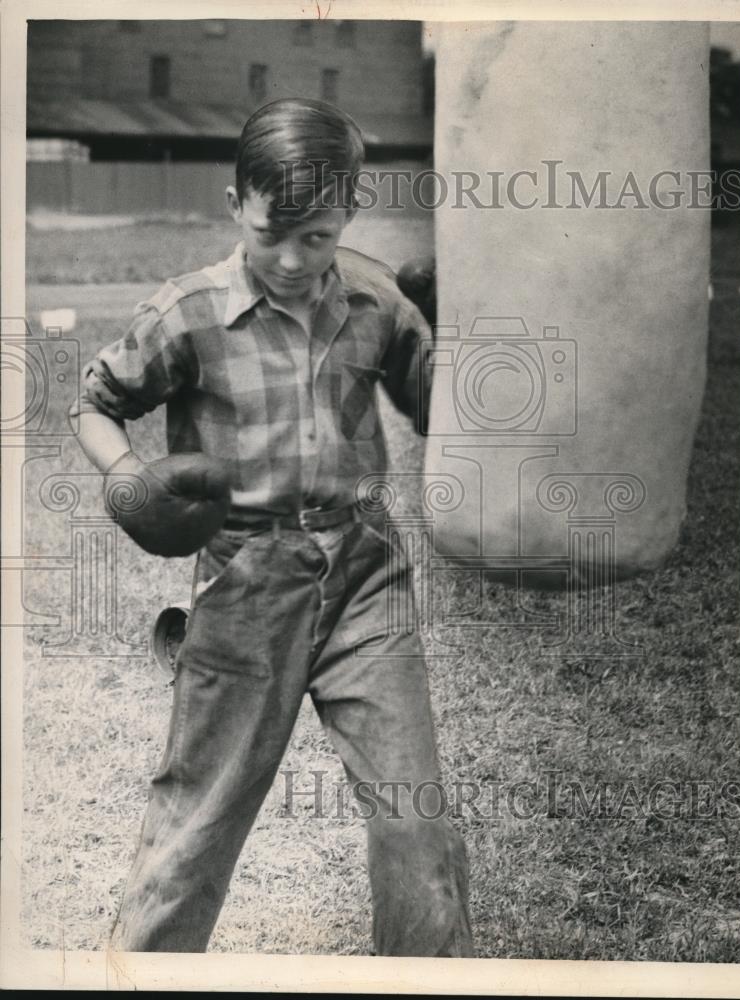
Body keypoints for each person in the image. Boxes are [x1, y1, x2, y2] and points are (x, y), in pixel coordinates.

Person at [70, 98, 473, 956]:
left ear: (348, 217)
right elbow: (96, 404)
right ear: (234, 207)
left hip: (367, 578)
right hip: (248, 584)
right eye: (270, 234)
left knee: (417, 825)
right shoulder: (187, 314)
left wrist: (459, 324)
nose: (292, 260)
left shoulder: (376, 302)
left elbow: (443, 412)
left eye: (317, 237)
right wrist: (127, 481)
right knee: (196, 826)